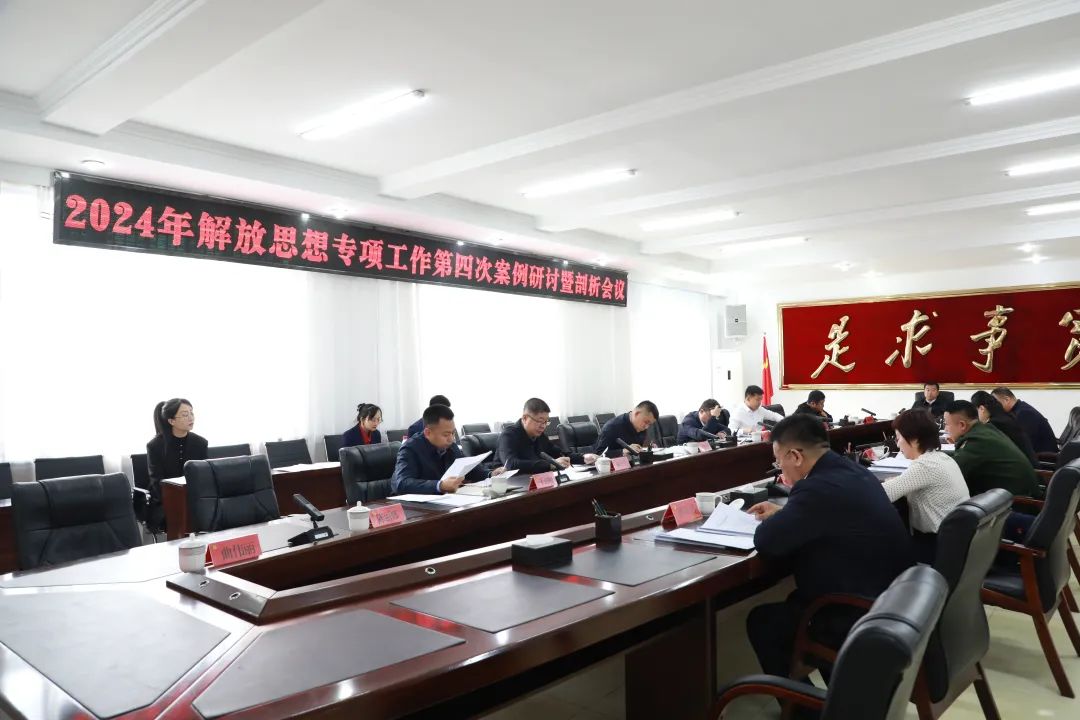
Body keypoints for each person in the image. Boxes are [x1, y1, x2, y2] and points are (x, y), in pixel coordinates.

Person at [745, 414, 913, 701]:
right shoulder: (854, 471)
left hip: (855, 612)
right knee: (793, 606)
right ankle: (833, 698)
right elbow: (831, 513)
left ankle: (808, 710)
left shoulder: (815, 488)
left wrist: (785, 516)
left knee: (764, 622)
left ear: (795, 456)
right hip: (891, 601)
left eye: (779, 461)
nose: (779, 468)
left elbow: (767, 541)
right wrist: (788, 513)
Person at [881, 410, 969, 563]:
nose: (897, 443)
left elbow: (882, 494)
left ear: (914, 439)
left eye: (898, 438)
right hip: (956, 541)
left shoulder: (925, 466)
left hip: (936, 547)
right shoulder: (941, 457)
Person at [392, 404, 502, 495]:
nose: (451, 439)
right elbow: (402, 483)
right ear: (428, 433)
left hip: (444, 502)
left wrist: (490, 474)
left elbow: (467, 469)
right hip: (414, 508)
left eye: (453, 433)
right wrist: (440, 485)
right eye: (446, 434)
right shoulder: (410, 449)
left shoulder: (451, 446)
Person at [944, 400, 1040, 499]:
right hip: (1020, 493)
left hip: (1019, 502)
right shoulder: (985, 430)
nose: (946, 429)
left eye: (946, 424)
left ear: (962, 425)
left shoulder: (977, 441)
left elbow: (950, 472)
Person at [146, 398, 208, 533]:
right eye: (185, 415)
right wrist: (178, 501)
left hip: (194, 499)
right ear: (171, 421)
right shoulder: (155, 446)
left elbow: (204, 477)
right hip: (165, 501)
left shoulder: (200, 443)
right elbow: (157, 482)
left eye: (192, 413)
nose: (191, 417)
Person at [498, 398, 597, 473]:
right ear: (524, 418)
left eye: (546, 422)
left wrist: (583, 457)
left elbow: (560, 454)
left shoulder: (540, 436)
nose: (543, 426)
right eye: (539, 421)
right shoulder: (509, 435)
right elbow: (511, 464)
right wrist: (550, 464)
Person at [971, 391, 1037, 467]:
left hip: (1021, 469)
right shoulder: (1007, 417)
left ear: (982, 409)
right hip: (1027, 465)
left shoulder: (994, 424)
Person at [992, 387, 1058, 455]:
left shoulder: (1025, 413)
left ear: (1007, 399)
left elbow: (1024, 443)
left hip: (1043, 457)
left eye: (996, 403)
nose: (994, 406)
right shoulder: (1019, 409)